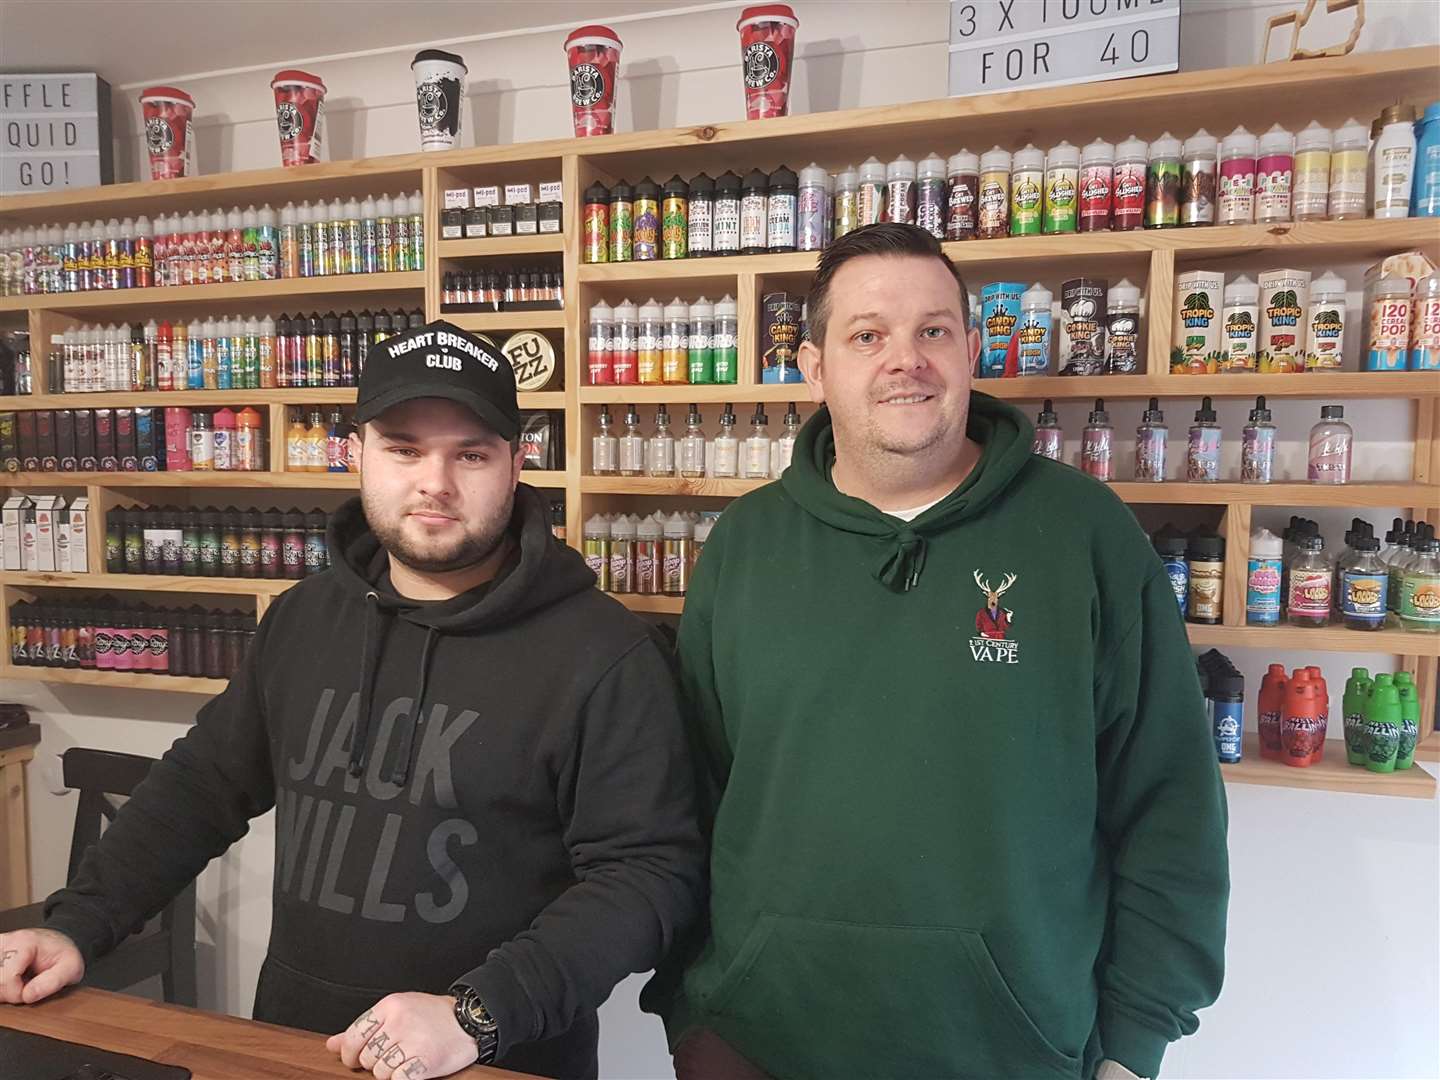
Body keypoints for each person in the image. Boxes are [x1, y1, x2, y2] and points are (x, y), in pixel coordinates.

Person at [0, 320, 706, 1080]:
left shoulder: (605, 655)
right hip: (295, 1049)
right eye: (404, 448)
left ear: (515, 465)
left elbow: (646, 877)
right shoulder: (304, 618)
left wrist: (479, 1013)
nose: (435, 481)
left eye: (470, 453)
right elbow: (199, 787)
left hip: (498, 1061)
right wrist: (76, 925)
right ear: (357, 453)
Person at [643, 223, 1229, 1080]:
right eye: (867, 334)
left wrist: (1135, 1045)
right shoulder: (744, 544)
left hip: (1014, 1050)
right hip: (755, 1040)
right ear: (814, 368)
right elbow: (690, 796)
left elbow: (1169, 805)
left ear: (971, 349)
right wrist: (692, 1013)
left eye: (933, 330)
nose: (904, 359)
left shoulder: (1083, 534)